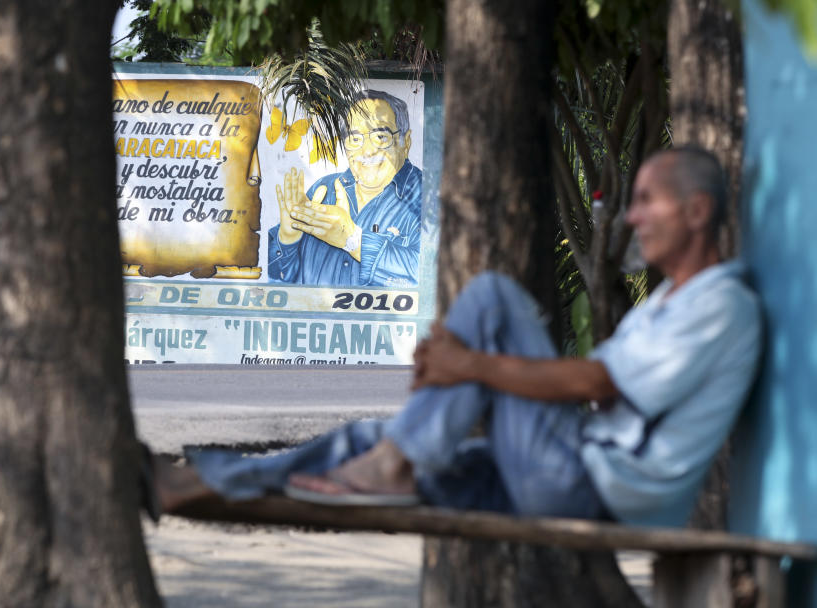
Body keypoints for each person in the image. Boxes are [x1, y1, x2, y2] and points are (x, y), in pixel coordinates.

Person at [153, 146, 761, 528]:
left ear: (699, 211)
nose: (631, 217)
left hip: (592, 486)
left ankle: (395, 461)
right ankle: (199, 482)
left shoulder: (721, 303)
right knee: (372, 437)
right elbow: (607, 395)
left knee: (493, 297)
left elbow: (595, 381)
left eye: (649, 201)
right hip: (568, 463)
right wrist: (467, 380)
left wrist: (470, 368)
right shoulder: (671, 301)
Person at [267, 90, 422, 287]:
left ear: (405, 142)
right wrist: (288, 238)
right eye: (355, 139)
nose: (367, 151)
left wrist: (353, 239)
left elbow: (428, 274)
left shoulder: (427, 196)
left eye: (381, 137)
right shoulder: (325, 189)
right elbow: (276, 277)